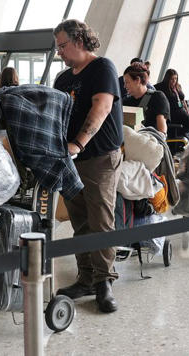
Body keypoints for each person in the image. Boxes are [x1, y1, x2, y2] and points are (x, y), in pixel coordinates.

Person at [53, 19, 123, 313]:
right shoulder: (62, 79)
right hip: (71, 160)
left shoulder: (102, 68)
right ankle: (85, 278)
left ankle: (104, 281)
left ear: (79, 41)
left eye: (62, 46)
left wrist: (78, 143)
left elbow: (102, 107)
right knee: (80, 221)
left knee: (100, 221)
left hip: (98, 158)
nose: (59, 53)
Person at [122, 62, 169, 134]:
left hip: (150, 141)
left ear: (137, 80)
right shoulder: (125, 102)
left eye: (127, 82)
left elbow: (162, 131)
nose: (125, 86)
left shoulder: (157, 97)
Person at [154, 68, 189, 138]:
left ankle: (182, 134)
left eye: (175, 78)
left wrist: (187, 111)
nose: (174, 81)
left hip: (181, 110)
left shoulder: (177, 86)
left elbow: (182, 100)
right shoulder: (161, 87)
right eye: (172, 79)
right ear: (167, 78)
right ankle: (181, 135)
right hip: (173, 113)